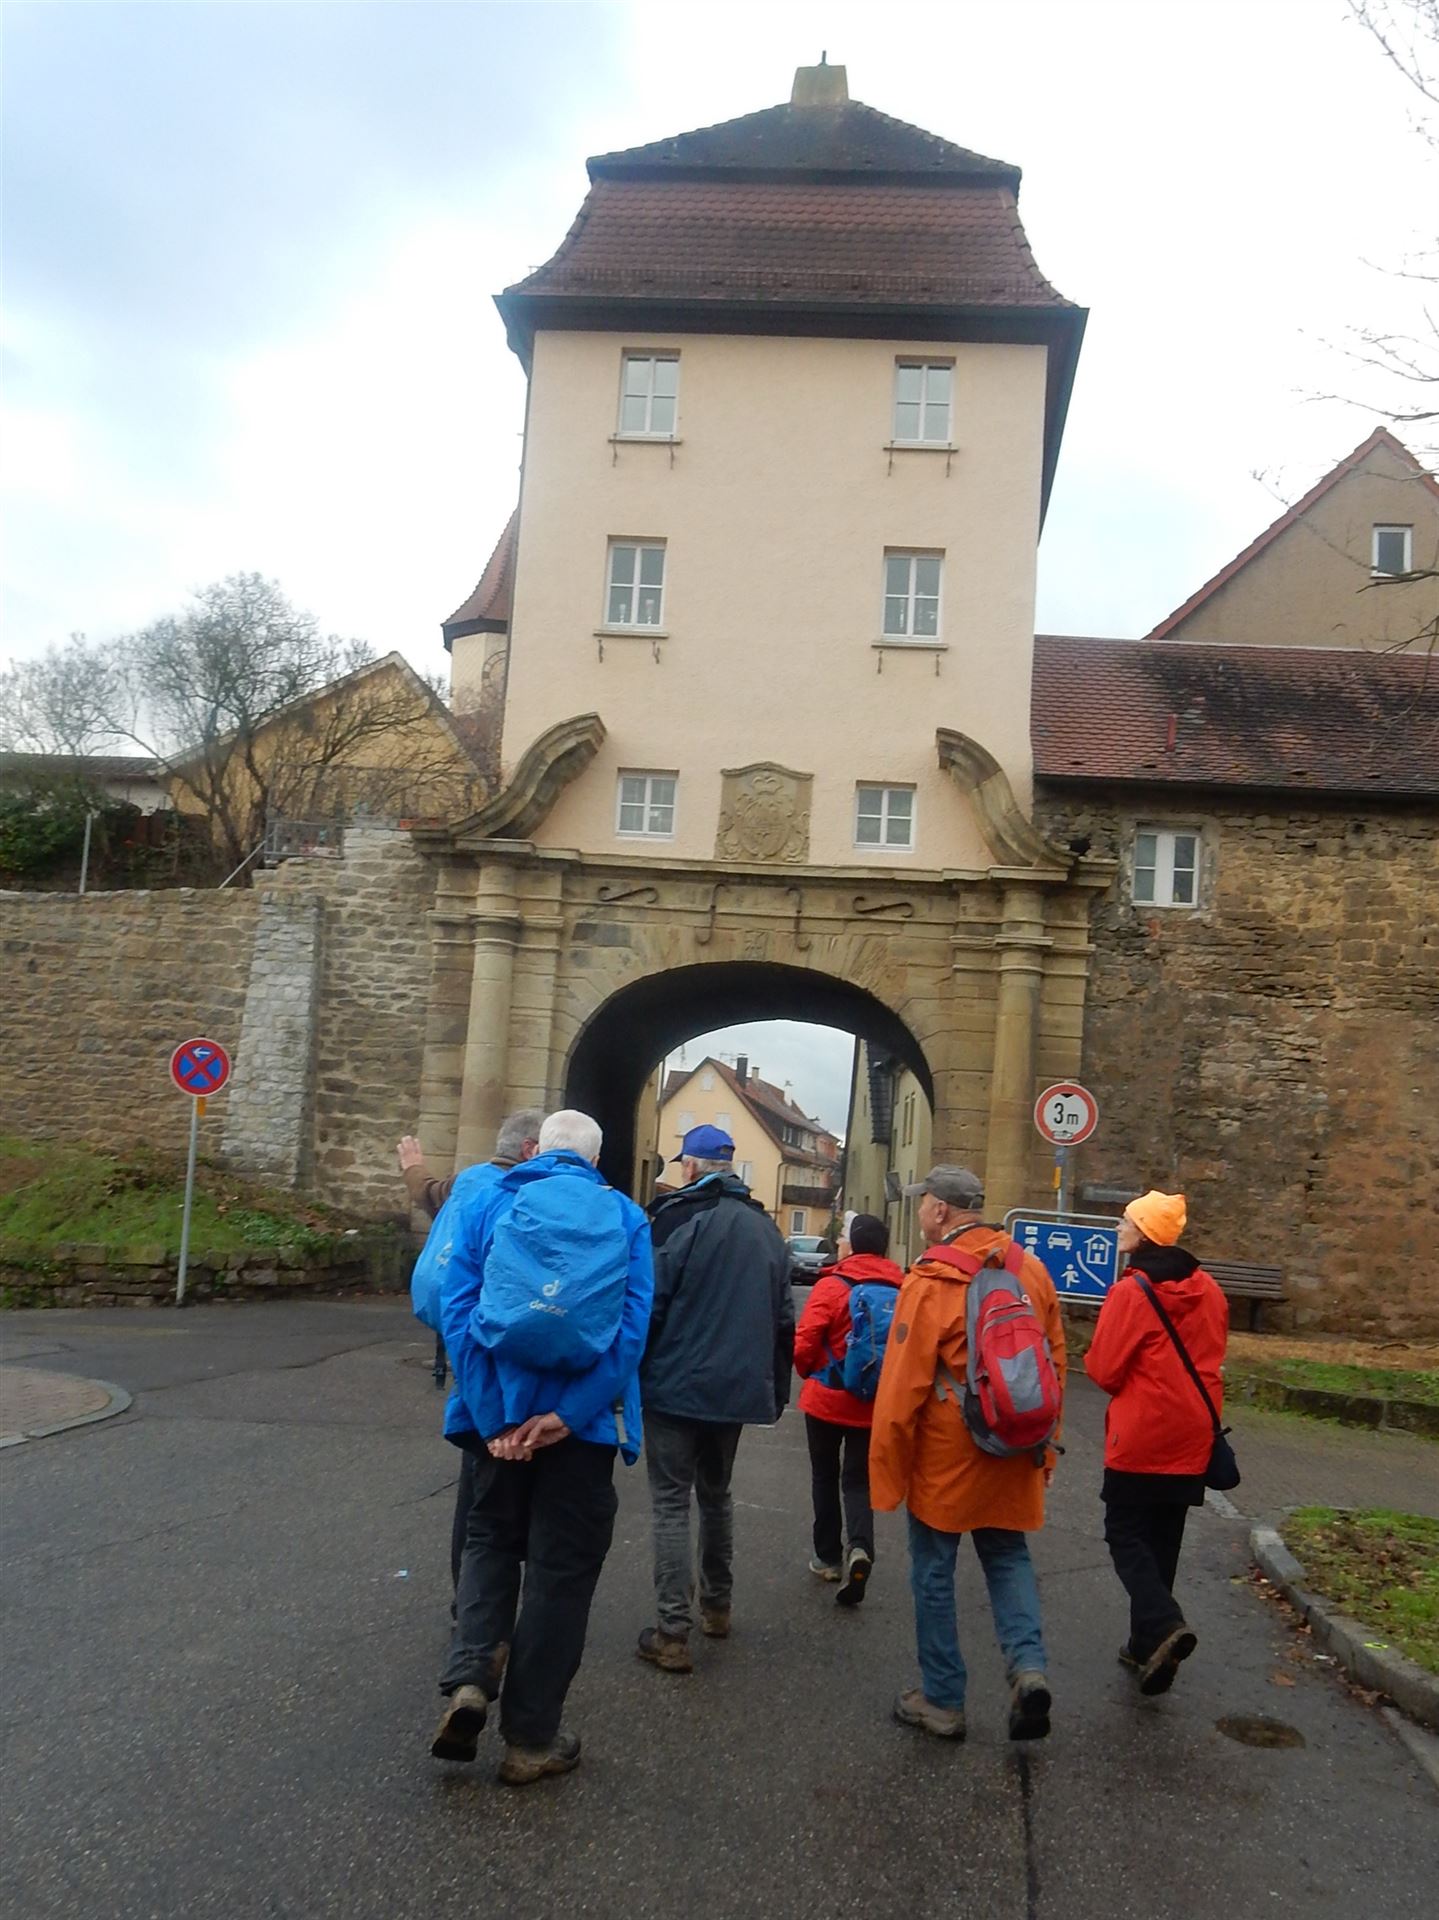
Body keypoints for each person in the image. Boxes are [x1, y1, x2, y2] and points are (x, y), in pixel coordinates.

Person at [429, 1109, 653, 1785]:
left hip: (495, 1417)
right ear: (595, 1159)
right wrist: (567, 1415)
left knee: (490, 1540)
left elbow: (456, 1312)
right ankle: (530, 1739)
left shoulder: (488, 1200)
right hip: (578, 1434)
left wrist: (495, 1418)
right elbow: (630, 1334)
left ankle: (472, 1676)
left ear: (536, 1151)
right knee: (562, 1572)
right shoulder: (626, 1218)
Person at [869, 1166, 1065, 1744]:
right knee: (1008, 1558)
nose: (920, 1211)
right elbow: (1053, 1364)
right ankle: (1028, 1670)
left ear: (941, 1211)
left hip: (948, 1456)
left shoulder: (931, 1279)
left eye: (923, 1202)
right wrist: (1046, 1451)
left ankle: (942, 1699)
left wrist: (886, 1473)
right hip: (1016, 1443)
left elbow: (901, 1388)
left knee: (933, 1571)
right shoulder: (1029, 1269)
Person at [636, 1124, 795, 1673]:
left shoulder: (674, 1219)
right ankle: (718, 1607)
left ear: (691, 1167)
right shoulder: (766, 1230)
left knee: (670, 1502)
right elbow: (783, 1320)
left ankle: (672, 1630)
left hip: (673, 1386)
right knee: (716, 1495)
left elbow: (650, 1303)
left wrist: (633, 1372)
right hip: (736, 1390)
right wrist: (774, 1390)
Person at [1085, 1189, 1229, 1697]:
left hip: (1142, 1431)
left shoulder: (1131, 1292)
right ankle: (1147, 1646)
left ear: (1145, 1233)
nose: (1118, 1227)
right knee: (1164, 1539)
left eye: (1125, 1220)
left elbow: (1104, 1370)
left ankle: (1164, 1623)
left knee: (1124, 1531)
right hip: (1193, 1432)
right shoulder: (1209, 1289)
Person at [399, 1109, 544, 1588]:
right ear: (529, 1149)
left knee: (478, 1480)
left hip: (465, 1344)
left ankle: (467, 1596)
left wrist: (412, 1167)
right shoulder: (531, 1195)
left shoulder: (470, 1182)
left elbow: (428, 1192)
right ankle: (503, 1590)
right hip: (511, 1347)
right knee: (516, 1474)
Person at [793, 1213, 904, 1605]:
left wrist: (808, 1371)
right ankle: (860, 1546)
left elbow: (806, 1339)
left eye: (844, 1236)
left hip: (826, 1396)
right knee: (858, 1480)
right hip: (872, 1402)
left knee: (824, 1476)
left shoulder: (832, 1285)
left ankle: (827, 1558)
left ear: (853, 1244)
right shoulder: (903, 1287)